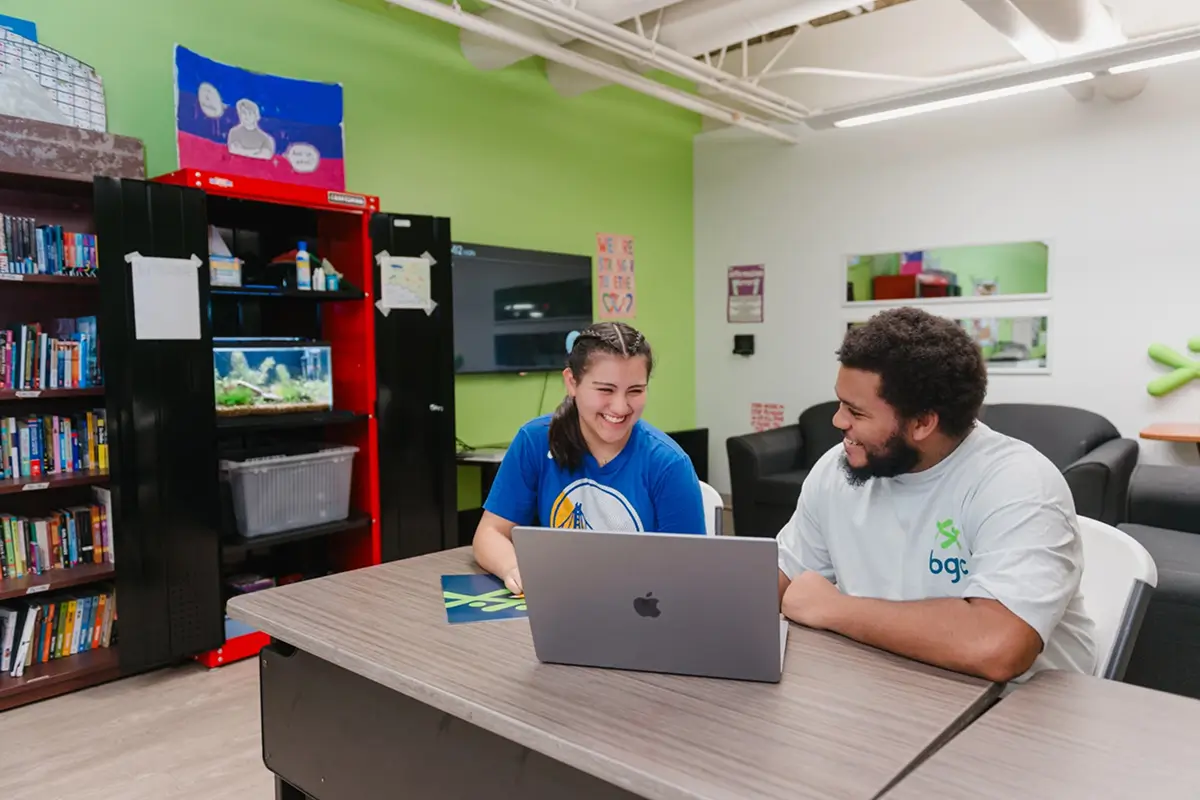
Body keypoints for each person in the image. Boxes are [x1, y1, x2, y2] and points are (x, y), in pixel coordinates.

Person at [778, 307, 1096, 684]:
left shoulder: (1019, 483)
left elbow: (997, 645)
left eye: (856, 412)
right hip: (890, 682)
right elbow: (780, 579)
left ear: (923, 423)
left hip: (1018, 711)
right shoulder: (838, 469)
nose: (838, 421)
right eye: (840, 403)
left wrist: (833, 608)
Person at [473, 321, 707, 595]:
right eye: (605, 390)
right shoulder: (534, 440)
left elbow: (690, 571)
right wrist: (515, 570)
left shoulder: (668, 464)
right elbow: (490, 533)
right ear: (572, 383)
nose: (620, 407)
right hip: (561, 606)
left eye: (635, 390)